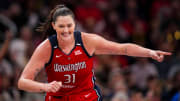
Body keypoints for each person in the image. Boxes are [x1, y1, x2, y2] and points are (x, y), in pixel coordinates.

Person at [18, 5, 171, 101]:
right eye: (61, 26)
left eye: (69, 25)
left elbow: (122, 48)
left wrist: (150, 52)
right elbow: (22, 82)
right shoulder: (46, 47)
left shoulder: (87, 41)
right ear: (54, 26)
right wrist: (45, 87)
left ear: (75, 24)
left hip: (86, 97)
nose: (66, 30)